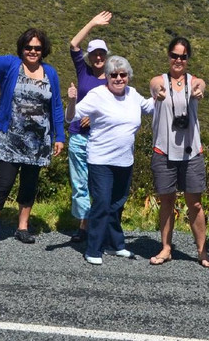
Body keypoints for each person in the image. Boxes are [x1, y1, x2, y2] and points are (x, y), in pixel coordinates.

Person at [0, 13, 65, 252]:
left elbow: (55, 105)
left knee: (29, 185)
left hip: (37, 143)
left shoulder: (50, 73)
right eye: (28, 47)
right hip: (9, 139)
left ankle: (22, 227)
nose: (32, 51)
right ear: (21, 48)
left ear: (43, 50)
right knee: (3, 184)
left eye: (37, 48)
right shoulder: (12, 65)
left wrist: (59, 136)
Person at [67, 55, 154, 265]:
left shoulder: (132, 94)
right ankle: (93, 249)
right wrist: (71, 100)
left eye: (122, 74)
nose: (118, 78)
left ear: (128, 77)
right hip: (101, 160)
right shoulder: (97, 95)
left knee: (117, 204)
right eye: (113, 75)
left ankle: (115, 245)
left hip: (125, 160)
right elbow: (72, 116)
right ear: (106, 76)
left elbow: (150, 107)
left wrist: (164, 92)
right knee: (102, 203)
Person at [147, 36, 209, 266]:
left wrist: (198, 91)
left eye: (183, 56)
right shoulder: (159, 80)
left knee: (195, 203)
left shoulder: (194, 82)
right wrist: (158, 92)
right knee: (167, 202)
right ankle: (165, 248)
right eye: (174, 55)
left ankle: (202, 250)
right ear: (168, 56)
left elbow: (200, 86)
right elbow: (154, 86)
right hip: (164, 151)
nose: (178, 60)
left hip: (191, 152)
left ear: (188, 59)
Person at [65, 11, 113, 244]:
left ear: (106, 55)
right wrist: (92, 23)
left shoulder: (114, 78)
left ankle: (97, 225)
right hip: (78, 137)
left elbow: (117, 109)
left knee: (99, 184)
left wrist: (95, 119)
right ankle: (84, 225)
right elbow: (74, 44)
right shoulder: (83, 71)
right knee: (79, 183)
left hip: (102, 139)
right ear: (90, 55)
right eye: (93, 53)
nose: (97, 58)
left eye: (101, 53)